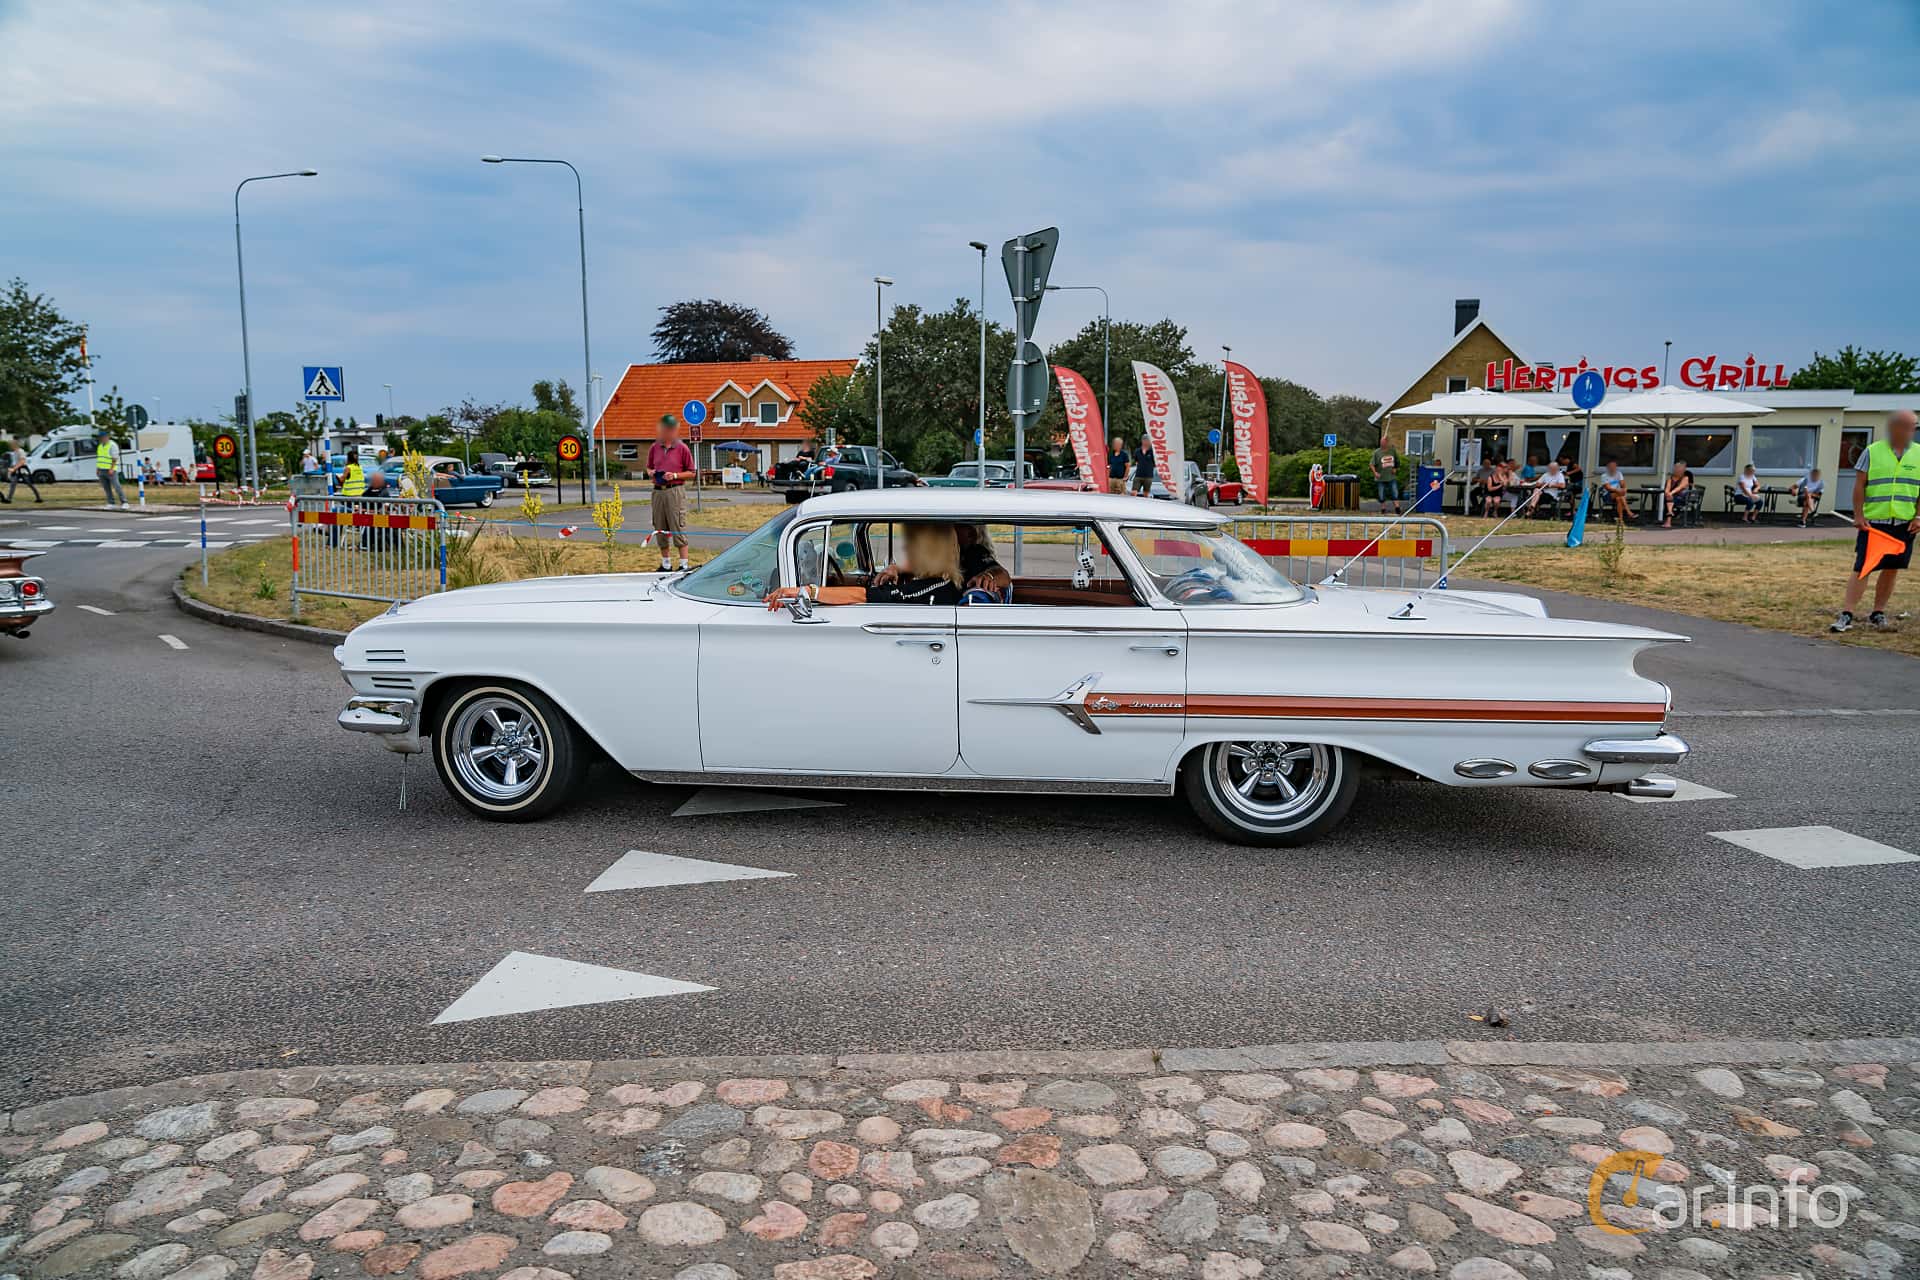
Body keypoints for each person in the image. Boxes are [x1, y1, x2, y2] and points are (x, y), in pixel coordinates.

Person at [1831, 409, 1920, 633]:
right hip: (1874, 523)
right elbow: (1859, 485)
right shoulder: (1872, 452)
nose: (1912, 431)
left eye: (1914, 426)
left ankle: (1878, 612)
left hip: (1904, 522)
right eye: (1908, 426)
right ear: (1894, 427)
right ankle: (1847, 614)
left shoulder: (1919, 454)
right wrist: (1858, 515)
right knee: (1863, 568)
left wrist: (1918, 516)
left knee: (1891, 569)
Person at [767, 523, 964, 609]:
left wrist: (809, 591)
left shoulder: (932, 589)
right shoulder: (943, 583)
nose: (905, 546)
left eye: (913, 545)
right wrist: (898, 570)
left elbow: (865, 596)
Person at [647, 413, 696, 572]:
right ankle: (666, 563)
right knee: (659, 525)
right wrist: (652, 472)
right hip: (658, 490)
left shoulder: (682, 448)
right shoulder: (654, 447)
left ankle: (683, 564)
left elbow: (692, 472)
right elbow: (648, 467)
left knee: (677, 524)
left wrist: (675, 475)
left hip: (675, 490)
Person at [95, 430, 128, 509]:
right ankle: (111, 502)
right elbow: (99, 458)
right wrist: (97, 468)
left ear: (107, 437)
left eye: (102, 437)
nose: (101, 439)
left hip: (110, 470)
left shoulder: (112, 445)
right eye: (100, 438)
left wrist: (112, 468)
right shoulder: (100, 446)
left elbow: (114, 458)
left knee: (117, 486)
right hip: (101, 469)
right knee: (106, 487)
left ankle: (124, 502)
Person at [1370, 439, 1402, 515]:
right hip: (1381, 478)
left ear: (1387, 443)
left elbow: (1397, 462)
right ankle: (1383, 509)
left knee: (1395, 493)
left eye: (1384, 443)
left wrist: (1395, 468)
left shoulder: (1392, 451)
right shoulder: (1377, 452)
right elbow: (1371, 464)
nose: (1382, 444)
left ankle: (1397, 508)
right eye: (1381, 443)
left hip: (1391, 477)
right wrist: (1375, 473)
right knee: (1381, 494)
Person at [1659, 460, 1693, 529]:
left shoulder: (1685, 478)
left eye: (1678, 468)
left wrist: (1670, 493)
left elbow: (1680, 487)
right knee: (1669, 498)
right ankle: (1669, 515)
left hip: (1682, 498)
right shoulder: (1670, 479)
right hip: (1672, 498)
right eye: (1675, 468)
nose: (1676, 470)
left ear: (1683, 470)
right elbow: (1667, 489)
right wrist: (1668, 493)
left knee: (1669, 499)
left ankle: (1668, 520)